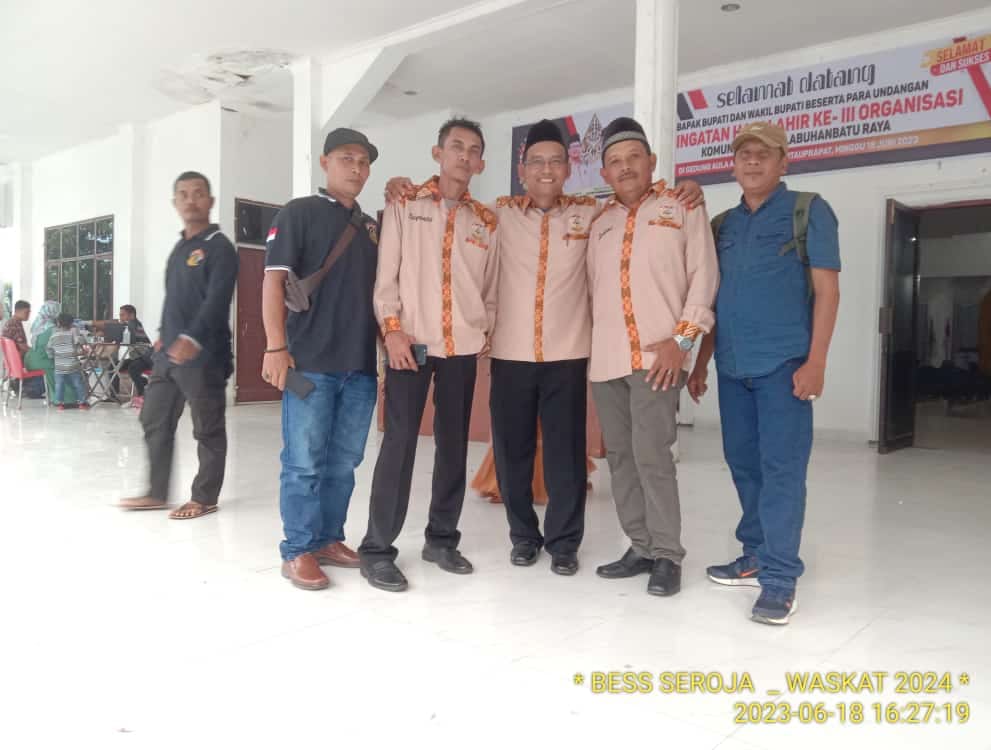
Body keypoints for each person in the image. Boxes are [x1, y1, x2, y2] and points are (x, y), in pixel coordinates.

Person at [384, 121, 703, 577]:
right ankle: (523, 537)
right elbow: (450, 215)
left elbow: (636, 205)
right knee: (511, 453)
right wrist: (402, 185)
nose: (546, 170)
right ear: (522, 170)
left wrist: (688, 188)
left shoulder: (593, 214)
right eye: (536, 162)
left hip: (567, 354)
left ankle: (565, 543)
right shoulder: (496, 215)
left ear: (569, 169)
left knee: (565, 455)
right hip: (510, 353)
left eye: (555, 161)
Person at [688, 121, 841, 626]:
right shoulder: (722, 225)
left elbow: (828, 292)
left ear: (783, 162)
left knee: (781, 471)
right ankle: (755, 554)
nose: (752, 161)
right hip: (733, 369)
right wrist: (701, 362)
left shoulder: (808, 210)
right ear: (733, 165)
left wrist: (816, 362)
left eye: (763, 154)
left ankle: (779, 578)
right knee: (743, 465)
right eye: (744, 155)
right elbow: (713, 299)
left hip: (784, 369)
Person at [358, 117, 499, 593]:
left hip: (462, 348)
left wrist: (485, 332)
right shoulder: (405, 204)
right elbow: (387, 275)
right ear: (438, 154)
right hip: (410, 345)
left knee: (454, 444)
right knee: (398, 444)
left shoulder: (485, 222)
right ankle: (377, 549)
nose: (464, 156)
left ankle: (441, 540)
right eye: (456, 146)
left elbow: (490, 288)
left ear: (481, 163)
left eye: (473, 150)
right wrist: (392, 330)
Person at [587, 117, 719, 598]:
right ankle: (639, 546)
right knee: (620, 457)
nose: (625, 168)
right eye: (615, 162)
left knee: (653, 455)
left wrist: (681, 341)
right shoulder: (598, 223)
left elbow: (704, 278)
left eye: (633, 158)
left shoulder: (682, 208)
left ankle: (667, 554)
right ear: (605, 173)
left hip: (658, 359)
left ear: (652, 162)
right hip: (606, 361)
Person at [262, 128, 382, 591]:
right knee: (303, 461)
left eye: (364, 162)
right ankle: (297, 550)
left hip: (359, 367)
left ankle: (329, 538)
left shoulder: (370, 228)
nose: (357, 168)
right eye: (347, 158)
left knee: (344, 461)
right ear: (325, 162)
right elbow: (273, 281)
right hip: (308, 363)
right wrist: (276, 346)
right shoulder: (299, 213)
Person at [118, 171, 238, 520]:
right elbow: (175, 300)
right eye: (183, 194)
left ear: (210, 201)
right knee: (154, 418)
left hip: (204, 355)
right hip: (168, 353)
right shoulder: (179, 249)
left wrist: (192, 338)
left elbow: (217, 300)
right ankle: (156, 492)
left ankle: (205, 497)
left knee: (207, 428)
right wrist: (163, 335)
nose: (190, 200)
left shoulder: (220, 247)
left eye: (198, 193)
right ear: (175, 203)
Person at [46, 313, 89, 411]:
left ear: (58, 323)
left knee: (59, 385)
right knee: (78, 383)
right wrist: (79, 334)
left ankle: (60, 404)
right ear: (71, 324)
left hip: (59, 366)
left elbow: (48, 349)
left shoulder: (53, 336)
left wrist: (53, 356)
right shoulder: (72, 334)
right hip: (72, 365)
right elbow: (81, 341)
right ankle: (82, 403)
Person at [117, 305, 153, 406]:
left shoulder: (134, 324)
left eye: (123, 315)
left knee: (133, 368)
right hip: (136, 357)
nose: (121, 317)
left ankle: (142, 395)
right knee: (114, 366)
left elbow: (128, 339)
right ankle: (113, 395)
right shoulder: (129, 325)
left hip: (145, 357)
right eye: (120, 315)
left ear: (132, 315)